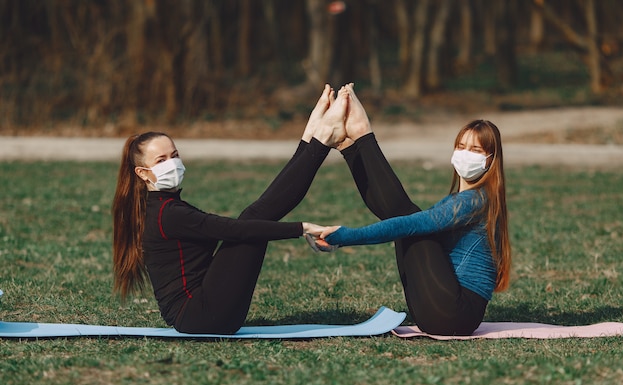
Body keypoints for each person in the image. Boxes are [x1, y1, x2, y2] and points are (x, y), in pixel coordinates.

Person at [112, 84, 349, 334]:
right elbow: (232, 230)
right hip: (200, 316)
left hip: (201, 313)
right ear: (142, 174)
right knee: (250, 223)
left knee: (252, 221)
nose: (172, 164)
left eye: (174, 155)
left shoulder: (164, 207)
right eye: (161, 161)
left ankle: (314, 140)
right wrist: (302, 228)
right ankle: (318, 142)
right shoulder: (167, 214)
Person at [319, 84, 511, 336]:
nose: (465, 154)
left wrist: (344, 237)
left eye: (475, 150)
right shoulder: (459, 199)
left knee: (409, 218)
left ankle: (361, 138)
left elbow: (408, 222)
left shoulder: (475, 201)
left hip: (455, 313)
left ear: (490, 160)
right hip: (438, 310)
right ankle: (351, 145)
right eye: (461, 147)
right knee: (405, 218)